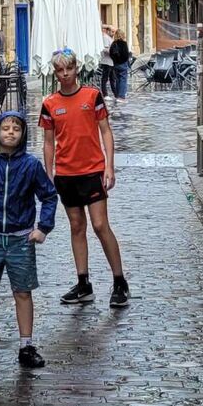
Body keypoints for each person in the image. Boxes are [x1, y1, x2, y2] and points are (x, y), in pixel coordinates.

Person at [0, 109, 57, 369]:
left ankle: (26, 345)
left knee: (22, 292)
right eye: (6, 128)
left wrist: (43, 227)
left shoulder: (31, 165)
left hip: (20, 239)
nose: (11, 132)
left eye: (16, 128)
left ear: (23, 134)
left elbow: (48, 195)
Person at [39, 48, 129, 309]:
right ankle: (83, 283)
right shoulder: (50, 104)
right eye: (60, 70)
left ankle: (119, 281)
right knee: (77, 226)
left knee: (100, 225)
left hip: (91, 170)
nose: (65, 74)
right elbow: (48, 143)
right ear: (55, 72)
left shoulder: (92, 96)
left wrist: (109, 167)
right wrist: (49, 172)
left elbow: (106, 132)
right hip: (66, 174)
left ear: (76, 68)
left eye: (69, 68)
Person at [109, 29, 131, 101]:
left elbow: (110, 54)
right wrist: (124, 60)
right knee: (123, 80)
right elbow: (126, 54)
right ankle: (121, 96)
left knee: (118, 80)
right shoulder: (123, 43)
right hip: (123, 64)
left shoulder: (113, 43)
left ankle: (118, 95)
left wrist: (115, 60)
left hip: (115, 64)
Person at [99, 24, 115, 98]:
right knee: (105, 78)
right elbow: (105, 49)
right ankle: (105, 94)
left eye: (114, 31)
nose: (113, 33)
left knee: (112, 78)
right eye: (112, 31)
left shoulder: (110, 38)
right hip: (107, 61)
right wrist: (114, 52)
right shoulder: (105, 38)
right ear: (108, 31)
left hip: (111, 61)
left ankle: (115, 93)